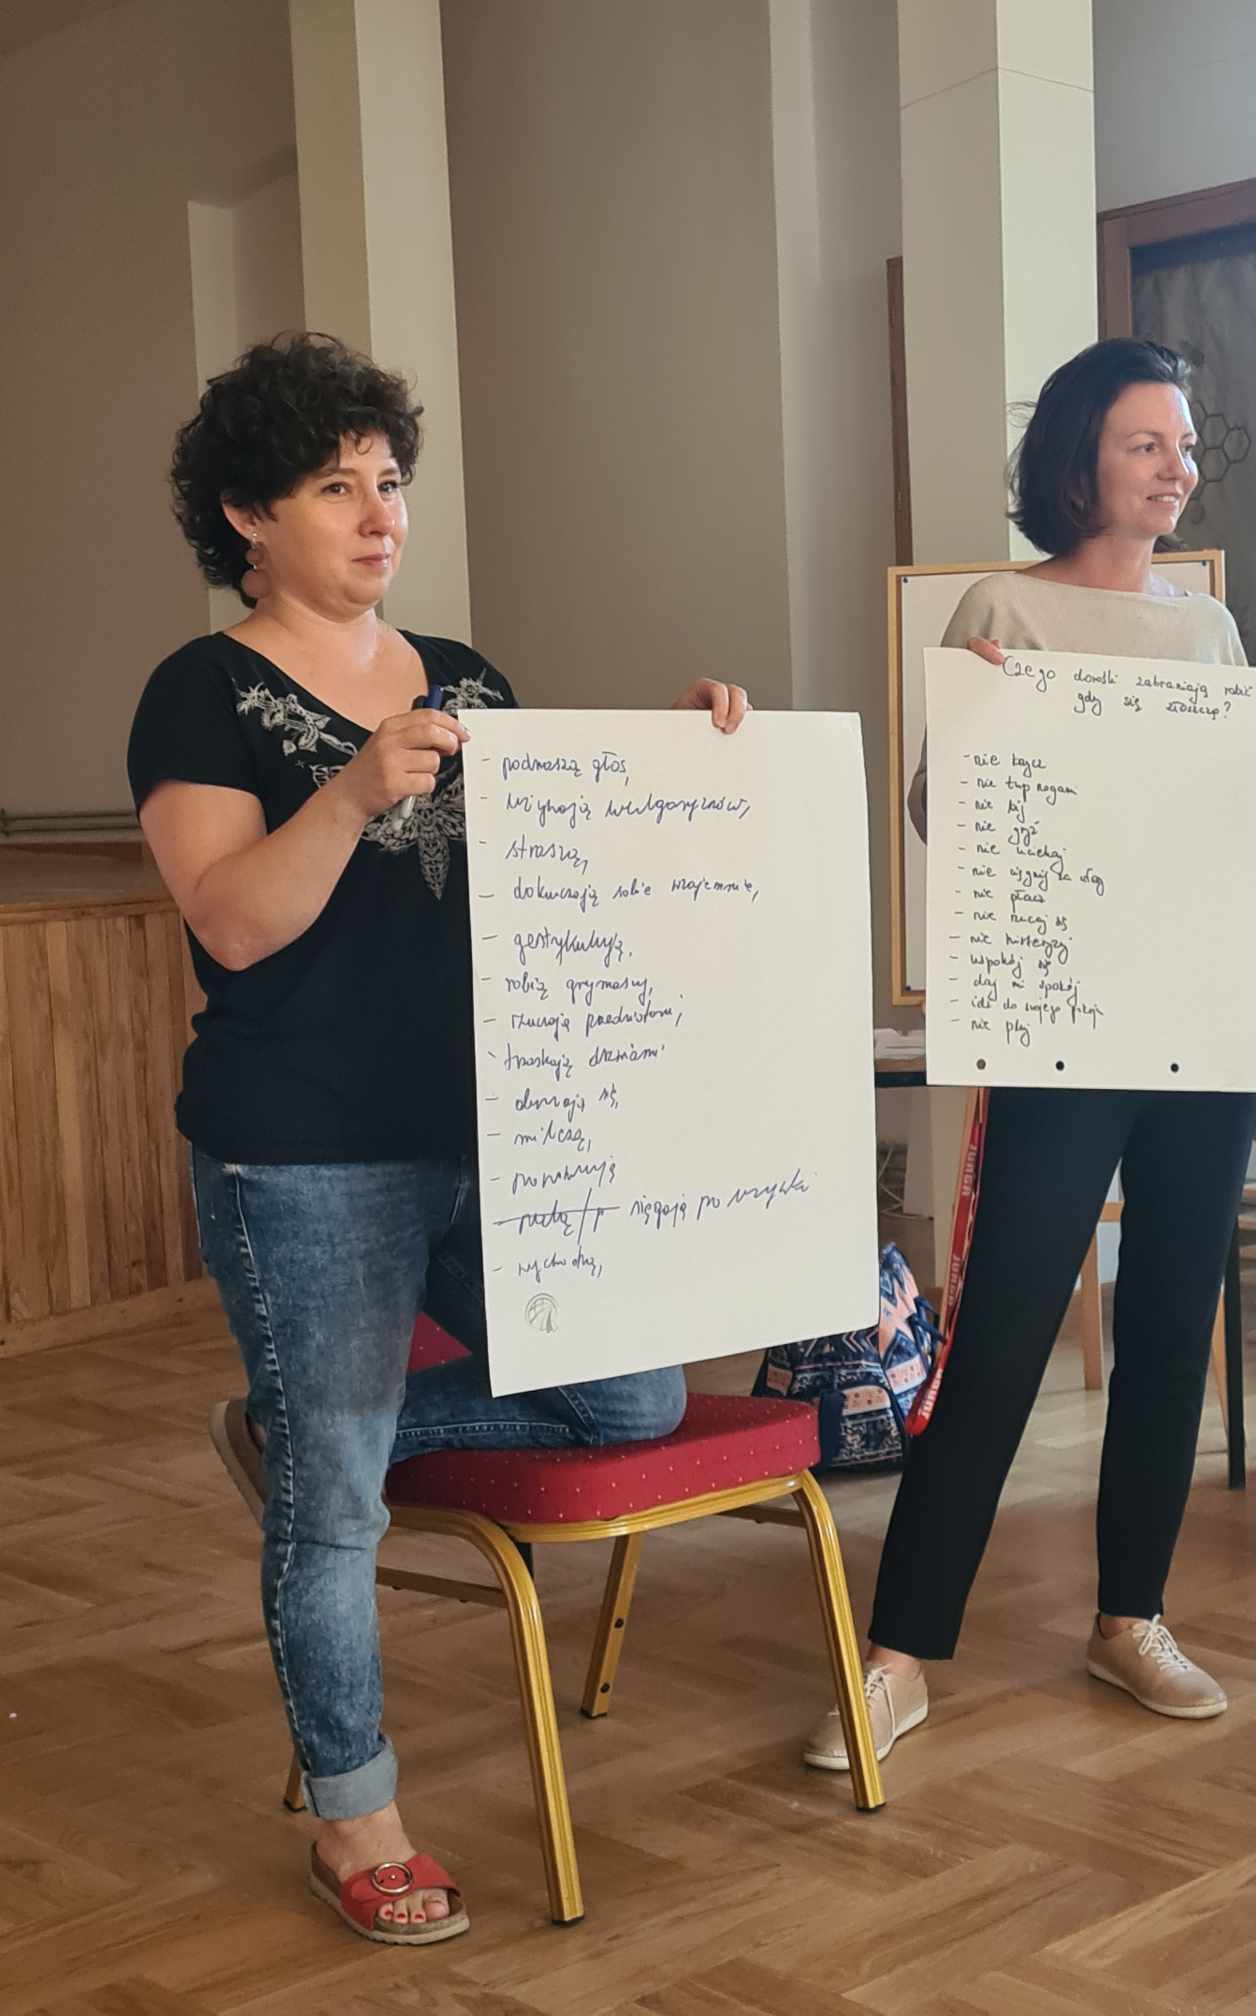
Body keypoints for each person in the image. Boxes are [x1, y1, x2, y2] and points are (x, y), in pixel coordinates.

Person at [128, 333, 749, 1946]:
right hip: (303, 1153)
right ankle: (359, 1818)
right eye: (336, 487)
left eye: (389, 481)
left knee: (632, 1394)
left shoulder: (467, 675)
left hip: (503, 1131)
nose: (378, 514)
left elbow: (567, 875)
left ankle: (308, 1433)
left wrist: (685, 763)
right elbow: (232, 924)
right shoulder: (202, 694)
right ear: (246, 514)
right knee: (336, 1512)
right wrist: (348, 793)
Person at [805, 337, 1256, 1771]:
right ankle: (898, 1654)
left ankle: (1131, 1615)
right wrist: (988, 733)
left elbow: (1240, 823)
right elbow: (947, 812)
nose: (1176, 467)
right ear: (1081, 459)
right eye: (1148, 442)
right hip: (1064, 1031)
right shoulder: (1002, 609)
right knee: (1005, 1329)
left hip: (1207, 1028)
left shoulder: (1213, 628)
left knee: (1171, 1326)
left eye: (1185, 445)